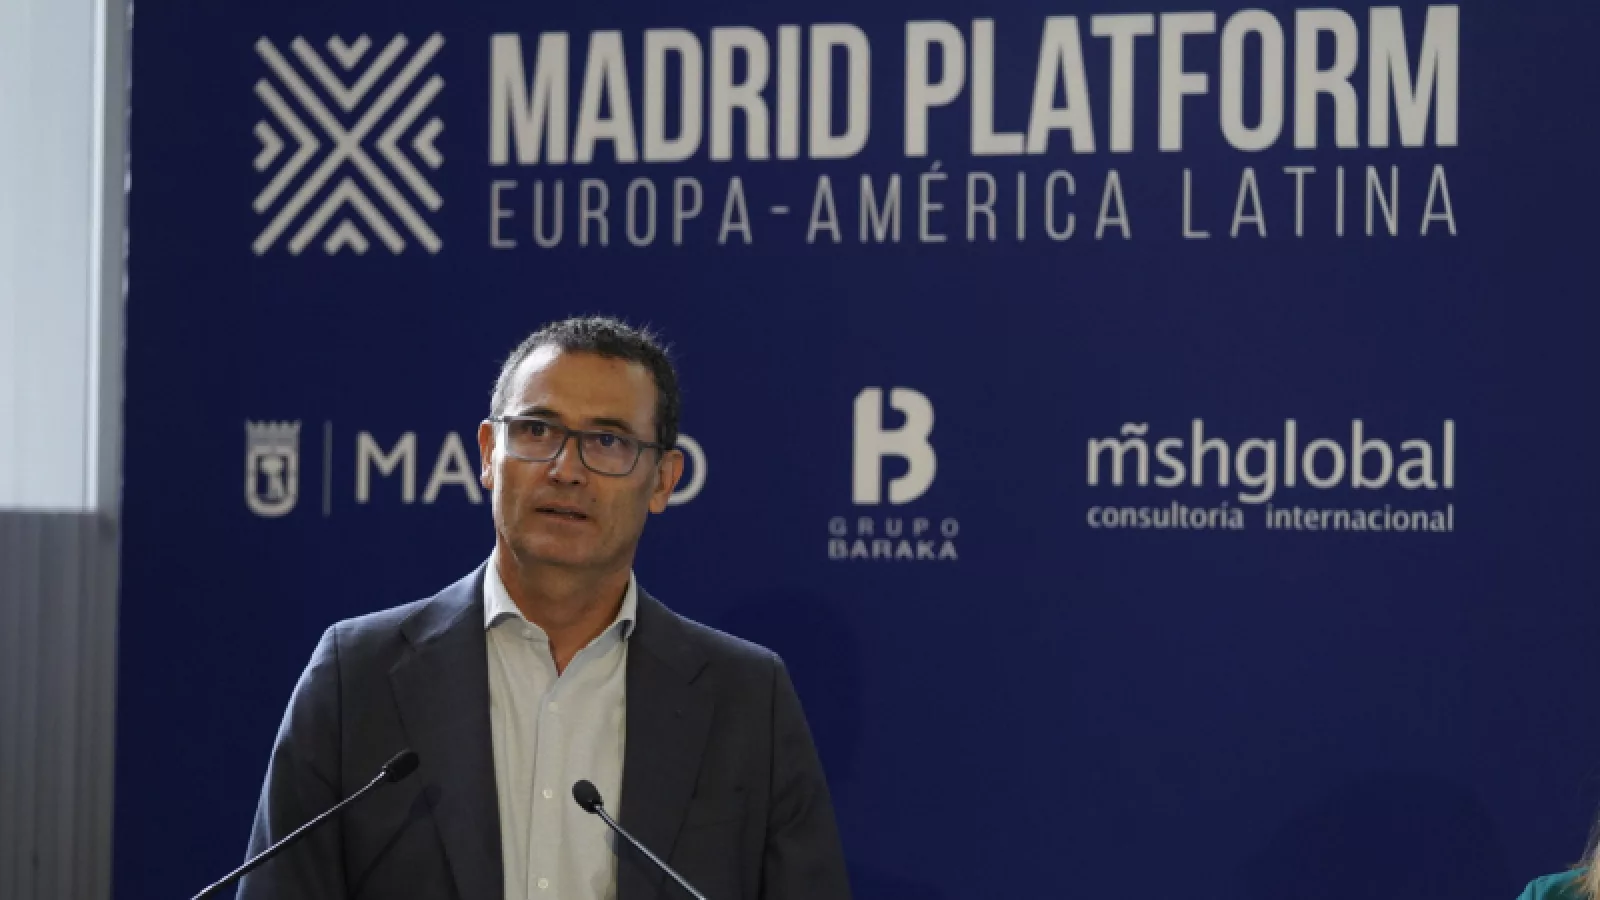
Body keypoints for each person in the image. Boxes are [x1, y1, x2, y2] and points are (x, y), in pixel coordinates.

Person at [238, 316, 852, 900]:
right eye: (537, 431)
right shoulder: (356, 677)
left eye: (607, 441)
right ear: (488, 452)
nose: (565, 469)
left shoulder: (748, 698)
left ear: (664, 480)